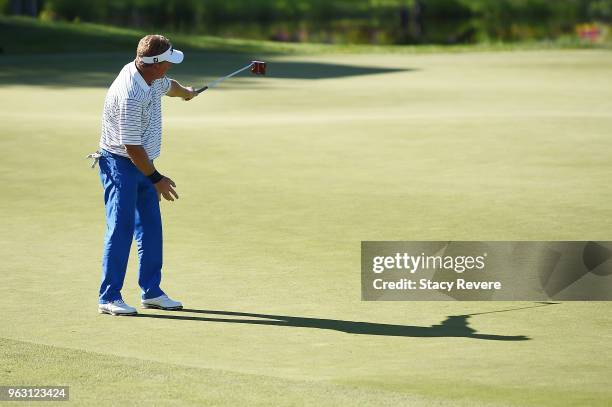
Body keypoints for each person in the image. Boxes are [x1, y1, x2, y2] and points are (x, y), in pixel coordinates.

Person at [93, 34, 198, 316]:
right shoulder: (131, 93)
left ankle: (151, 291)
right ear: (155, 64)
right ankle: (109, 296)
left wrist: (185, 92)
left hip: (143, 162)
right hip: (121, 164)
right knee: (121, 229)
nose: (170, 66)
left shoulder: (151, 75)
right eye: (168, 62)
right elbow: (131, 146)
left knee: (151, 228)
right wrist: (156, 179)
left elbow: (169, 86)